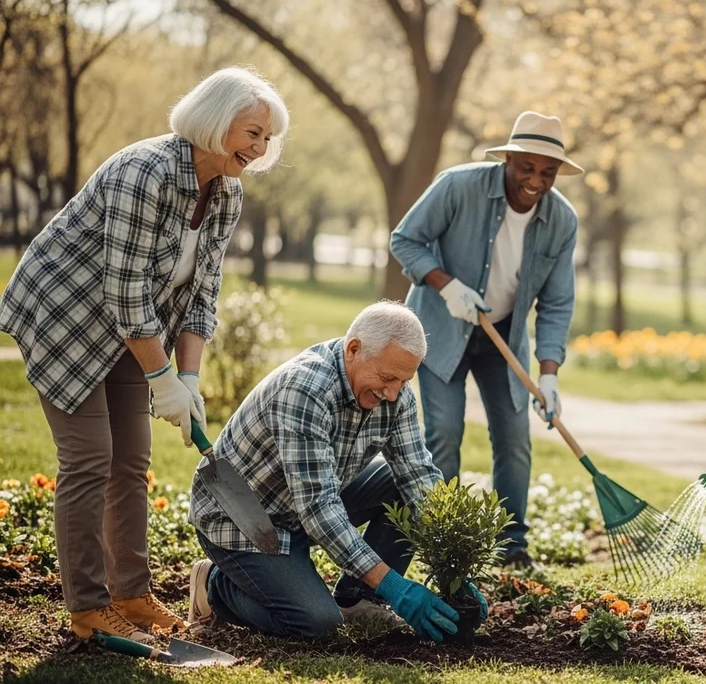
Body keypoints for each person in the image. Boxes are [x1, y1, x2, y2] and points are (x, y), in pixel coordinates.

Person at [0, 67, 288, 642]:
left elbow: (203, 293)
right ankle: (87, 608)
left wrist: (188, 378)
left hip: (135, 329)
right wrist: (160, 378)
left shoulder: (225, 194)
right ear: (213, 119)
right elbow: (125, 288)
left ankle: (130, 595)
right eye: (251, 133)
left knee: (131, 461)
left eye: (266, 138)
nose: (259, 150)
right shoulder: (146, 172)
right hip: (69, 320)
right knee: (89, 460)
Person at [186, 302, 484, 641]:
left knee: (404, 485)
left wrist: (453, 568)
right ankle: (215, 585)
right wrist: (394, 587)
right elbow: (319, 509)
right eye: (387, 377)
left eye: (404, 380)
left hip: (304, 506)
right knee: (316, 623)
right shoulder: (305, 389)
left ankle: (357, 598)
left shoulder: (395, 395)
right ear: (354, 348)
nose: (393, 393)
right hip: (245, 521)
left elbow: (419, 476)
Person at [389, 111, 580, 569]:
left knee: (514, 439)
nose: (535, 180)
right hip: (440, 328)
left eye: (547, 172)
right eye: (527, 168)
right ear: (508, 158)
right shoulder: (458, 186)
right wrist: (446, 285)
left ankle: (511, 546)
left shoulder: (562, 221)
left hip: (504, 338)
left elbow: (557, 304)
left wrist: (549, 376)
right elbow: (405, 240)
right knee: (445, 434)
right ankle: (442, 545)